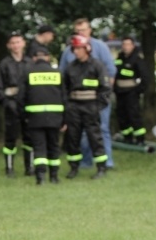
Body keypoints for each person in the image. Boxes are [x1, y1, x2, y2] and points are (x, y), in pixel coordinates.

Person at [59, 18, 117, 169]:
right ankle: (85, 162)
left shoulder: (100, 47)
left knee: (101, 129)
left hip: (97, 100)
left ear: (90, 30)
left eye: (83, 30)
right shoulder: (68, 51)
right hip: (77, 103)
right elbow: (63, 77)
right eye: (77, 31)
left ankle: (107, 162)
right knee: (80, 133)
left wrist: (101, 99)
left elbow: (110, 73)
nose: (80, 33)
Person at [17, 46, 65, 185]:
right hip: (55, 118)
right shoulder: (57, 73)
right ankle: (54, 176)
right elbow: (64, 98)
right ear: (48, 57)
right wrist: (64, 119)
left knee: (39, 147)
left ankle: (40, 177)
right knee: (54, 146)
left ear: (34, 58)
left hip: (34, 118)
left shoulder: (28, 73)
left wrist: (23, 115)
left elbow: (21, 98)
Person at [0, 31, 33, 177]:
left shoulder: (30, 63)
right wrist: (5, 101)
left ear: (23, 43)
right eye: (13, 43)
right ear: (8, 46)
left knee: (29, 137)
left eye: (18, 42)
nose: (16, 45)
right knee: (10, 138)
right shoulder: (4, 64)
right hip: (11, 105)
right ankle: (9, 168)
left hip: (28, 106)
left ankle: (30, 167)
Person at [114, 36, 148, 144]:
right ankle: (127, 137)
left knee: (133, 115)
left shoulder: (137, 59)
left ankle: (140, 138)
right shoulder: (119, 58)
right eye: (124, 44)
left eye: (128, 44)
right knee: (121, 115)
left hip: (131, 92)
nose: (125, 47)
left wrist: (137, 91)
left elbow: (145, 78)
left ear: (133, 46)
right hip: (120, 92)